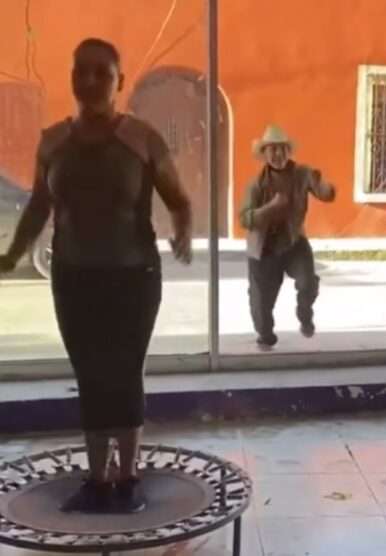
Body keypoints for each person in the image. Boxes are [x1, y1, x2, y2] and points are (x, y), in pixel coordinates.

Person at [0, 38, 193, 513]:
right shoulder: (53, 142)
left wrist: (183, 235)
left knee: (124, 374)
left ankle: (128, 476)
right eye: (80, 71)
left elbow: (180, 200)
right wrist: (11, 255)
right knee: (89, 374)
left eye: (101, 73)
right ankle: (96, 479)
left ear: (119, 82)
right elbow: (39, 208)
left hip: (133, 277)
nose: (89, 81)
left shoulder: (142, 138)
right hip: (73, 277)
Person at [239, 124, 336, 349]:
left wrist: (322, 184)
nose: (278, 154)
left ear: (288, 151)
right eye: (272, 149)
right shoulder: (256, 186)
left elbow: (325, 194)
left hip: (293, 242)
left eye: (282, 149)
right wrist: (270, 209)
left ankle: (304, 314)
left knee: (308, 282)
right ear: (264, 154)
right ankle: (265, 336)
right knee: (261, 302)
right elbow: (244, 219)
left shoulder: (302, 174)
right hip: (264, 249)